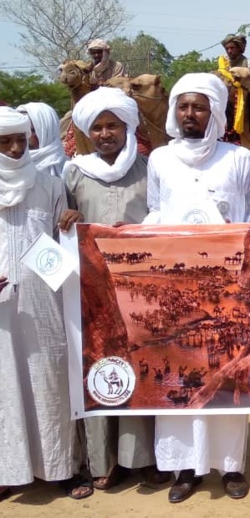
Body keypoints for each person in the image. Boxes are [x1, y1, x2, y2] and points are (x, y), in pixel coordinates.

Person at [144, 73, 250, 503]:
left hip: (228, 289)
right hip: (174, 290)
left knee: (225, 374)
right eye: (183, 106)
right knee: (178, 374)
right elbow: (155, 213)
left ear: (214, 112)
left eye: (198, 107)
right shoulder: (160, 159)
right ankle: (185, 469)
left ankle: (230, 467)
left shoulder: (238, 159)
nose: (189, 114)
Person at [58, 87, 169, 491]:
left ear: (128, 128)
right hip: (90, 292)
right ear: (89, 132)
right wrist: (66, 216)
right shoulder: (73, 172)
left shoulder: (148, 167)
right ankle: (102, 461)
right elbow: (61, 224)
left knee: (145, 366)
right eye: (99, 127)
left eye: (114, 126)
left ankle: (143, 459)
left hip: (142, 292)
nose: (106, 134)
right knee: (99, 367)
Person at [0, 107, 88, 501]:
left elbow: (62, 240)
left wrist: (70, 220)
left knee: (48, 380)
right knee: (6, 388)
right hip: (2, 311)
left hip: (45, 304)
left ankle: (60, 467)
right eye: (6, 142)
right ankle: (7, 471)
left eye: (22, 139)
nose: (17, 148)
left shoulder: (50, 186)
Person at [17, 102, 67, 176]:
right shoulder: (7, 170)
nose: (23, 137)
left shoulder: (70, 171)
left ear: (48, 132)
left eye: (31, 131)